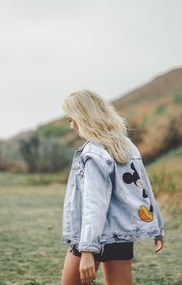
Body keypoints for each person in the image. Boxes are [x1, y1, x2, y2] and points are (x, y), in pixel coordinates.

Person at [60, 89, 165, 285]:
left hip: (91, 237)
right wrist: (156, 227)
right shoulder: (126, 145)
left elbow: (94, 204)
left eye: (71, 119)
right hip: (120, 234)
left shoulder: (93, 153)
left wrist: (87, 251)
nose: (71, 125)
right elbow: (143, 188)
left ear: (83, 117)